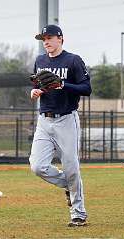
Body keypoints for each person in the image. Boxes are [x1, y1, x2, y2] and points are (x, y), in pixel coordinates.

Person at [29, 25, 91, 227]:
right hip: (44, 120)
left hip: (66, 119)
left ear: (60, 39)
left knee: (72, 167)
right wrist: (35, 91)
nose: (46, 41)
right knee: (37, 166)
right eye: (43, 38)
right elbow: (37, 84)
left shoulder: (73, 60)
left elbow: (86, 89)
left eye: (49, 37)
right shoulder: (40, 60)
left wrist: (63, 85)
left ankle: (78, 214)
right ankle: (69, 185)